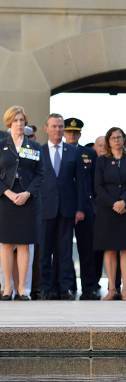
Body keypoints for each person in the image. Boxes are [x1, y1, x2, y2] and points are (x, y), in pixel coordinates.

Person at [39, 113, 86, 300]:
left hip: (67, 208)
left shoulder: (72, 151)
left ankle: (64, 287)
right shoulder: (39, 151)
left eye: (60, 126)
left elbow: (81, 183)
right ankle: (45, 288)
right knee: (45, 251)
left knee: (65, 251)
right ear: (46, 128)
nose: (57, 129)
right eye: (54, 126)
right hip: (45, 208)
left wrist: (80, 208)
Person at [0, 106, 43, 301]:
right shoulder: (1, 145)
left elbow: (40, 175)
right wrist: (8, 193)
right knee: (6, 244)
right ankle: (7, 288)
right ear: (9, 123)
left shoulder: (34, 147)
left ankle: (22, 289)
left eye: (21, 120)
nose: (19, 123)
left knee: (25, 244)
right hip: (6, 199)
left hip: (27, 200)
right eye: (15, 120)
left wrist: (27, 193)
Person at [94, 127, 126, 300]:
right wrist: (113, 203)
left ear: (124, 139)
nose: (116, 140)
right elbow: (98, 186)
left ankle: (125, 290)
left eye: (119, 137)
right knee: (110, 249)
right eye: (113, 138)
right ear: (108, 141)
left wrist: (124, 201)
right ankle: (112, 288)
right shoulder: (101, 161)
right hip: (108, 209)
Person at [63, 117, 100, 300]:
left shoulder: (88, 153)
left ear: (80, 134)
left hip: (86, 207)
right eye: (69, 132)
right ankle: (68, 286)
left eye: (75, 132)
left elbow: (93, 182)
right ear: (64, 133)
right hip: (65, 206)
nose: (72, 135)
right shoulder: (59, 152)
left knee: (87, 249)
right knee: (64, 249)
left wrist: (93, 205)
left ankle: (90, 287)